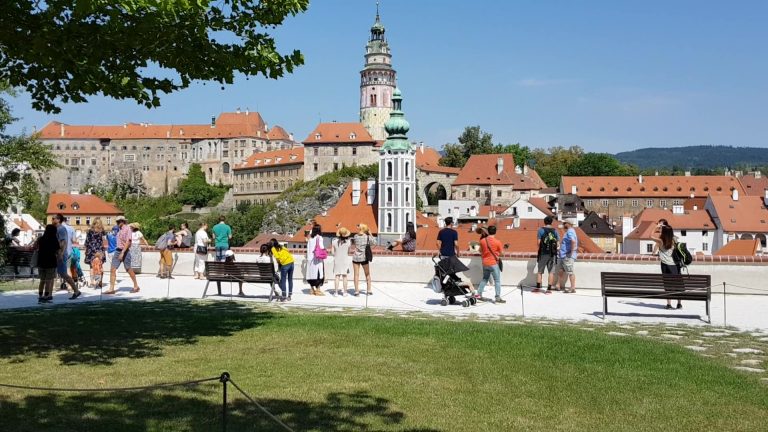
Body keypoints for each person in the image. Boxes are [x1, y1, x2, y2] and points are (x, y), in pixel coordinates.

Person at [651, 223, 683, 310]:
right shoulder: (674, 240)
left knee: (667, 285)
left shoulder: (660, 241)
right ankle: (679, 304)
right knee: (678, 285)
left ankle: (669, 304)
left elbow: (650, 236)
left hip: (665, 265)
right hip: (675, 265)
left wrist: (655, 227)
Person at [106, 216, 140, 294]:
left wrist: (123, 252)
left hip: (125, 251)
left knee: (128, 269)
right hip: (118, 250)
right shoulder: (119, 230)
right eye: (116, 222)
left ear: (122, 221)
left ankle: (136, 286)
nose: (117, 223)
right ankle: (111, 289)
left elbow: (128, 241)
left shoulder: (127, 229)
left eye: (118, 222)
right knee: (113, 269)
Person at [52, 214, 80, 299]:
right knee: (56, 272)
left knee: (64, 273)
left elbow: (63, 242)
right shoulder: (59, 228)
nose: (52, 220)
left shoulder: (61, 229)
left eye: (53, 218)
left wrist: (60, 254)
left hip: (62, 254)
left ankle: (76, 290)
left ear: (58, 220)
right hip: (62, 253)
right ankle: (50, 292)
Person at [475, 226, 505, 304]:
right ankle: (497, 297)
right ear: (495, 232)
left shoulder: (482, 241)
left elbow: (480, 251)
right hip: (493, 263)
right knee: (497, 280)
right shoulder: (497, 242)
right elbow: (502, 253)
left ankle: (478, 294)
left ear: (488, 231)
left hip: (485, 263)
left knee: (484, 279)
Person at [534, 216, 560, 294]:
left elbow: (538, 243)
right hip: (552, 254)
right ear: (551, 222)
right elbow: (558, 244)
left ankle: (538, 289)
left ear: (544, 222)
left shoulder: (541, 230)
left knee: (540, 271)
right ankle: (548, 290)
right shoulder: (555, 231)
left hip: (543, 253)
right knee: (551, 272)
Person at [34, 224, 59, 304]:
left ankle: (40, 296)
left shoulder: (41, 239)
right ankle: (46, 296)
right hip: (51, 262)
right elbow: (57, 251)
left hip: (41, 261)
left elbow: (35, 246)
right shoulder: (54, 240)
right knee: (48, 280)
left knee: (42, 280)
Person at [352, 223, 374, 296]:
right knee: (367, 274)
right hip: (364, 257)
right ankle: (369, 290)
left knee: (356, 275)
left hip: (356, 257)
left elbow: (355, 243)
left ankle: (356, 291)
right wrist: (370, 234)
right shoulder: (367, 237)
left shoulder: (355, 236)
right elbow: (374, 242)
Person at [557, 218, 579, 293]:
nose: (563, 224)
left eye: (564, 223)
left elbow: (573, 241)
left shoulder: (570, 232)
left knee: (570, 272)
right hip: (564, 255)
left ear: (568, 224)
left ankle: (572, 288)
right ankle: (558, 285)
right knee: (561, 270)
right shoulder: (571, 231)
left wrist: (571, 252)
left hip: (567, 256)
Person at [306, 224, 326, 296]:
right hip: (317, 258)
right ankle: (318, 290)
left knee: (310, 274)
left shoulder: (310, 238)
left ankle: (311, 289)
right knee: (319, 274)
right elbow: (321, 247)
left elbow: (308, 249)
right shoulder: (319, 237)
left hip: (310, 259)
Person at [331, 227, 352, 296]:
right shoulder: (349, 242)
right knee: (345, 276)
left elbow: (332, 253)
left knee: (337, 276)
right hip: (345, 261)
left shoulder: (334, 241)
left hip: (337, 260)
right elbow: (349, 252)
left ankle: (336, 292)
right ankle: (345, 292)